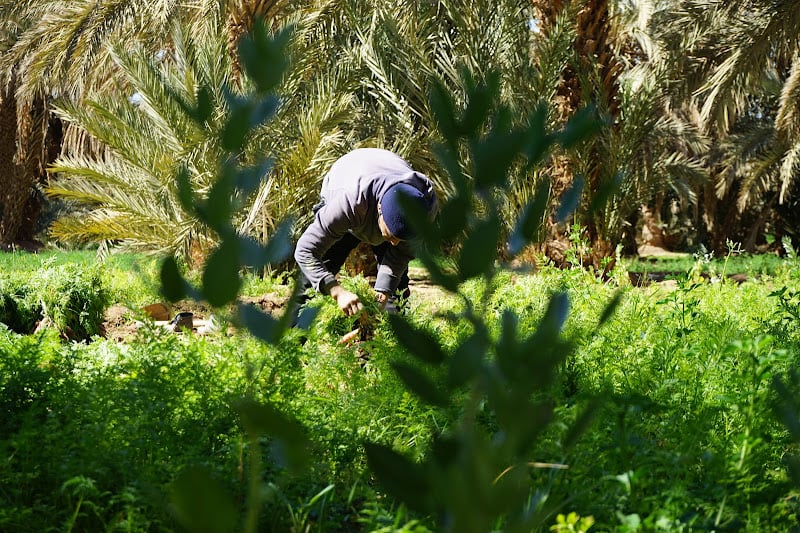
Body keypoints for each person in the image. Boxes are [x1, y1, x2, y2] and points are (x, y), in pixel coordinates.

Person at [292, 148, 438, 321]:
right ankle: (290, 342)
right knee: (310, 283)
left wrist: (382, 295)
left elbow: (401, 254)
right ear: (379, 210)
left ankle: (391, 344)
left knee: (396, 294)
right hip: (347, 185)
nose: (394, 243)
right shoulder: (349, 203)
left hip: (384, 184)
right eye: (391, 235)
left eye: (402, 238)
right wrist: (337, 292)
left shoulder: (423, 210)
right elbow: (305, 251)